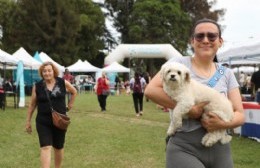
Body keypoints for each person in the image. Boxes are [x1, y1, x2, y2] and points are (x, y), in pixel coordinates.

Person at [144, 18, 245, 168]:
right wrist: (190, 110)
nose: (205, 40)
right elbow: (150, 90)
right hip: (184, 146)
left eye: (211, 36)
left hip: (219, 148)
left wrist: (222, 123)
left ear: (220, 41)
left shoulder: (227, 73)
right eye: (200, 36)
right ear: (192, 41)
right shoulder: (178, 63)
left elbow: (240, 114)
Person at [25, 62, 77, 168]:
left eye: (49, 70)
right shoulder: (38, 86)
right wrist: (28, 121)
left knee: (58, 147)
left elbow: (74, 91)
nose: (47, 73)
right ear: (41, 73)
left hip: (60, 121)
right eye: (44, 71)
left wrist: (70, 104)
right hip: (43, 121)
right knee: (45, 147)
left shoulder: (62, 82)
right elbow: (32, 105)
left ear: (54, 71)